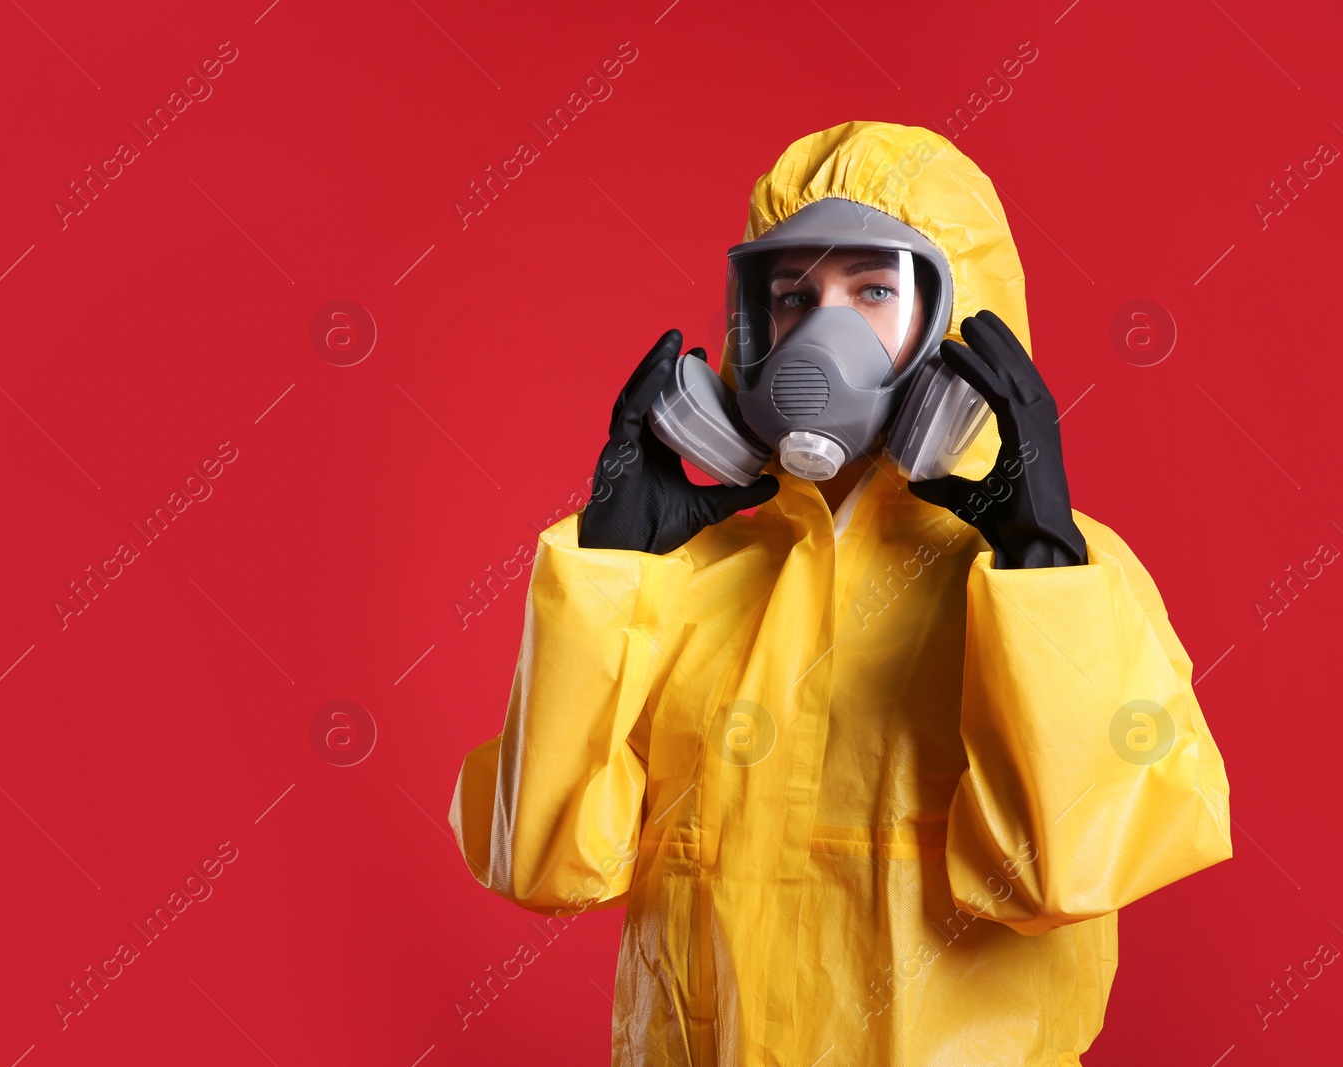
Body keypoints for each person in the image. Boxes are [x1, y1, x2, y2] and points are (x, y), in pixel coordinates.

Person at [447, 120, 1232, 1066]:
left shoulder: (1066, 578)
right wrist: (607, 571)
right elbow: (542, 863)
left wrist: (1040, 576)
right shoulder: (685, 588)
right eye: (792, 295)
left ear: (957, 323)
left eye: (871, 290)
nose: (823, 332)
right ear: (751, 325)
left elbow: (1064, 873)